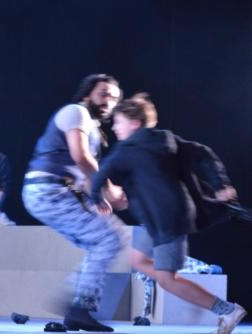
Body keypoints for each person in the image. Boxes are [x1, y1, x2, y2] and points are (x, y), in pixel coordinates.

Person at [90, 95, 246, 334]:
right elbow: (203, 153)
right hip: (161, 219)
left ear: (134, 122)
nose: (114, 127)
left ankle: (226, 310)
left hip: (166, 220)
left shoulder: (127, 150)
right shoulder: (168, 140)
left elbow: (101, 175)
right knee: (137, 260)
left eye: (118, 121)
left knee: (166, 280)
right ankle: (208, 301)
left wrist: (96, 198)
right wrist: (220, 184)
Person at [22, 74, 126, 332]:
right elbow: (80, 157)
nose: (108, 101)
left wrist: (99, 199)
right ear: (86, 94)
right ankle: (76, 305)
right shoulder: (76, 111)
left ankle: (76, 306)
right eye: (103, 93)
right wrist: (108, 187)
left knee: (109, 238)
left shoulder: (91, 127)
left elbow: (81, 174)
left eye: (113, 98)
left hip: (55, 192)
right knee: (109, 239)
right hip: (47, 190)